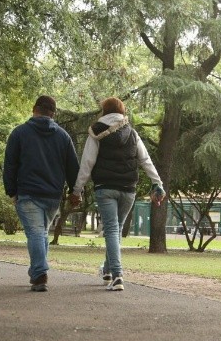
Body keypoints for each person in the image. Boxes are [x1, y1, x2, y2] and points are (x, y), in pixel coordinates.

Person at [69, 97, 165, 291]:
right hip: (129, 189)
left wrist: (77, 190)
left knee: (112, 230)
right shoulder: (132, 133)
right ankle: (107, 270)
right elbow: (146, 160)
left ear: (104, 111)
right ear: (122, 111)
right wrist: (157, 183)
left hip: (106, 187)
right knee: (116, 230)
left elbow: (87, 163)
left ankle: (118, 275)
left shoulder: (96, 131)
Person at [3, 95, 80, 292]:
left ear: (34, 108)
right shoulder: (63, 136)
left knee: (36, 233)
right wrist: (75, 191)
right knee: (42, 233)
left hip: (28, 192)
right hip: (53, 195)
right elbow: (73, 167)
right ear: (53, 113)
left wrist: (11, 191)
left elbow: (10, 165)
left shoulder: (19, 133)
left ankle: (39, 274)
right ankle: (38, 271)